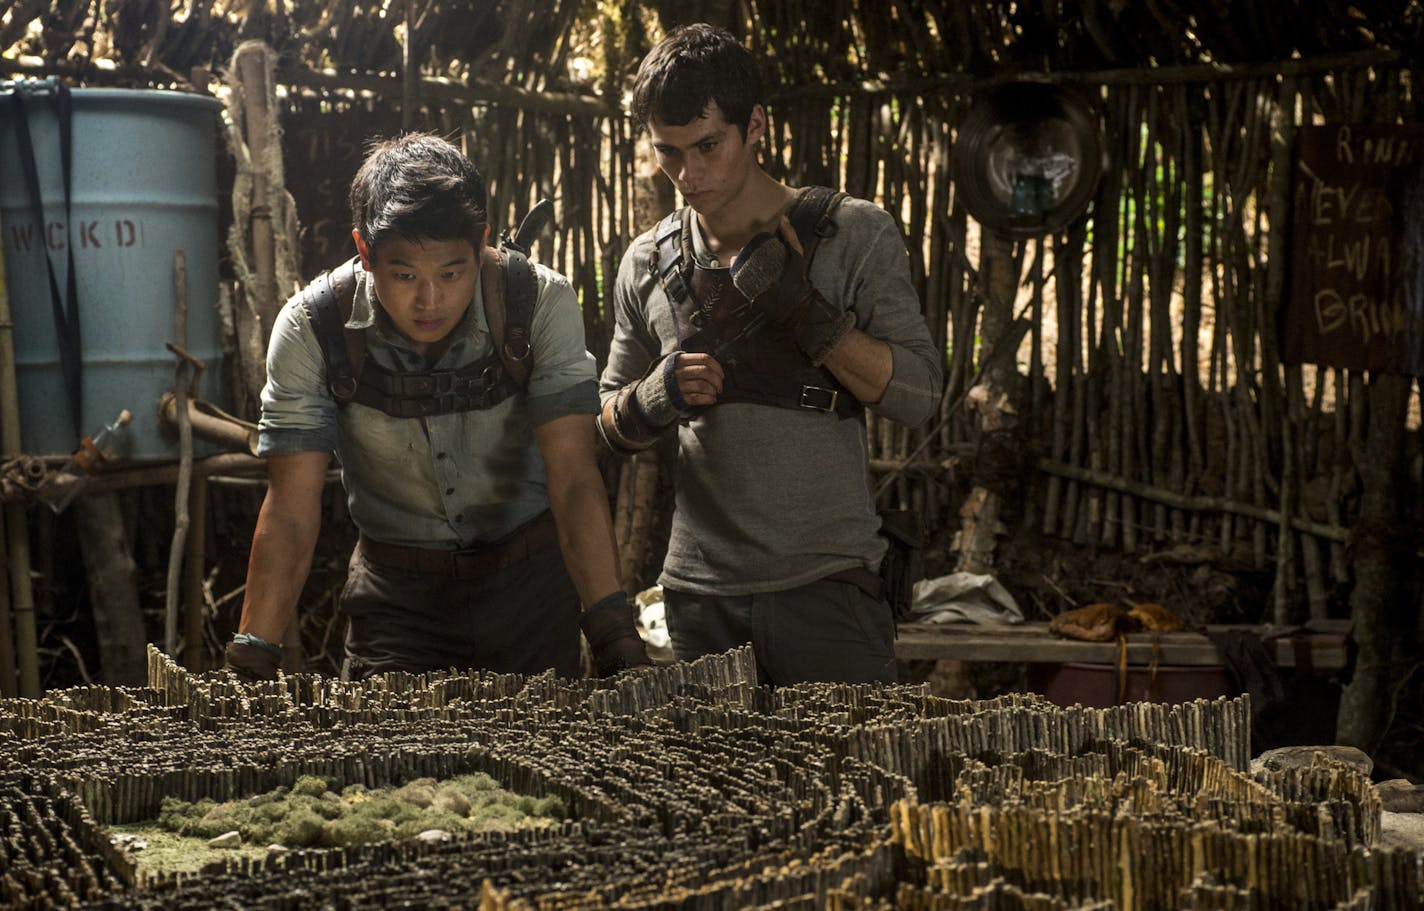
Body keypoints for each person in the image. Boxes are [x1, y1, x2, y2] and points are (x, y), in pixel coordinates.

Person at [225, 133, 650, 682]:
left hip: (531, 593)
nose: (429, 300)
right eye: (403, 276)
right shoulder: (313, 329)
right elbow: (289, 508)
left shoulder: (537, 304)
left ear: (483, 245)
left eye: (451, 273)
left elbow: (572, 478)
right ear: (365, 251)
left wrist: (612, 628)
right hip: (396, 601)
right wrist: (254, 655)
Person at [597, 24, 943, 685]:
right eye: (667, 153)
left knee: (847, 782)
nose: (688, 174)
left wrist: (808, 315)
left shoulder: (852, 234)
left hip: (829, 589)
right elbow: (604, 423)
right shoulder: (645, 263)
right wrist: (654, 395)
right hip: (698, 599)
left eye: (707, 146)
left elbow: (921, 395)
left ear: (755, 125)